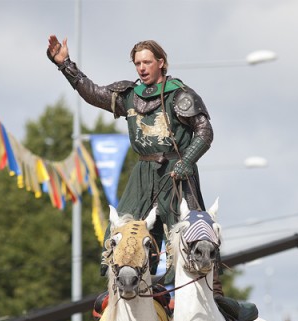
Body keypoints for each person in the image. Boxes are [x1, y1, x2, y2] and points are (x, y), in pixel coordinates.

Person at [46, 36, 214, 282]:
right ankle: (131, 289)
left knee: (192, 239)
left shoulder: (181, 94)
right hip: (143, 174)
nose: (142, 68)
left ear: (161, 63)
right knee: (123, 234)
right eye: (137, 63)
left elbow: (205, 131)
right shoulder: (129, 94)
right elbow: (92, 93)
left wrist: (187, 160)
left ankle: (214, 300)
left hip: (176, 171)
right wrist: (64, 64)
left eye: (146, 62)